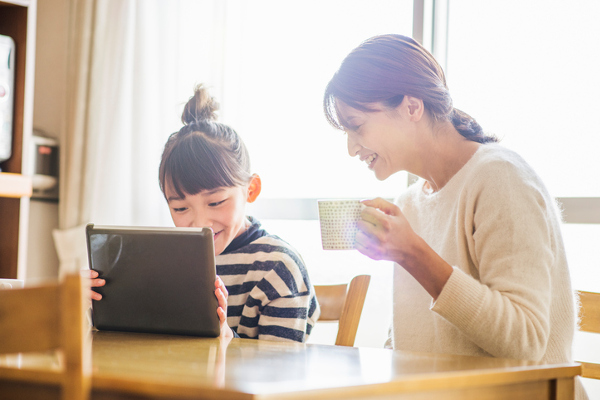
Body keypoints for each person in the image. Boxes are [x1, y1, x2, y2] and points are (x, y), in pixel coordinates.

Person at [323, 34, 586, 399]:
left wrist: (414, 254)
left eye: (357, 126)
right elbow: (409, 338)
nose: (352, 147)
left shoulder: (501, 178)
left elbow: (525, 343)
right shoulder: (410, 204)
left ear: (412, 107)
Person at [90, 84, 320, 342]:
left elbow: (281, 371)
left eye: (216, 202)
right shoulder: (161, 263)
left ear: (251, 190)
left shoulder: (278, 268)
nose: (200, 223)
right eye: (180, 208)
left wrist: (224, 338)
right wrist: (92, 305)